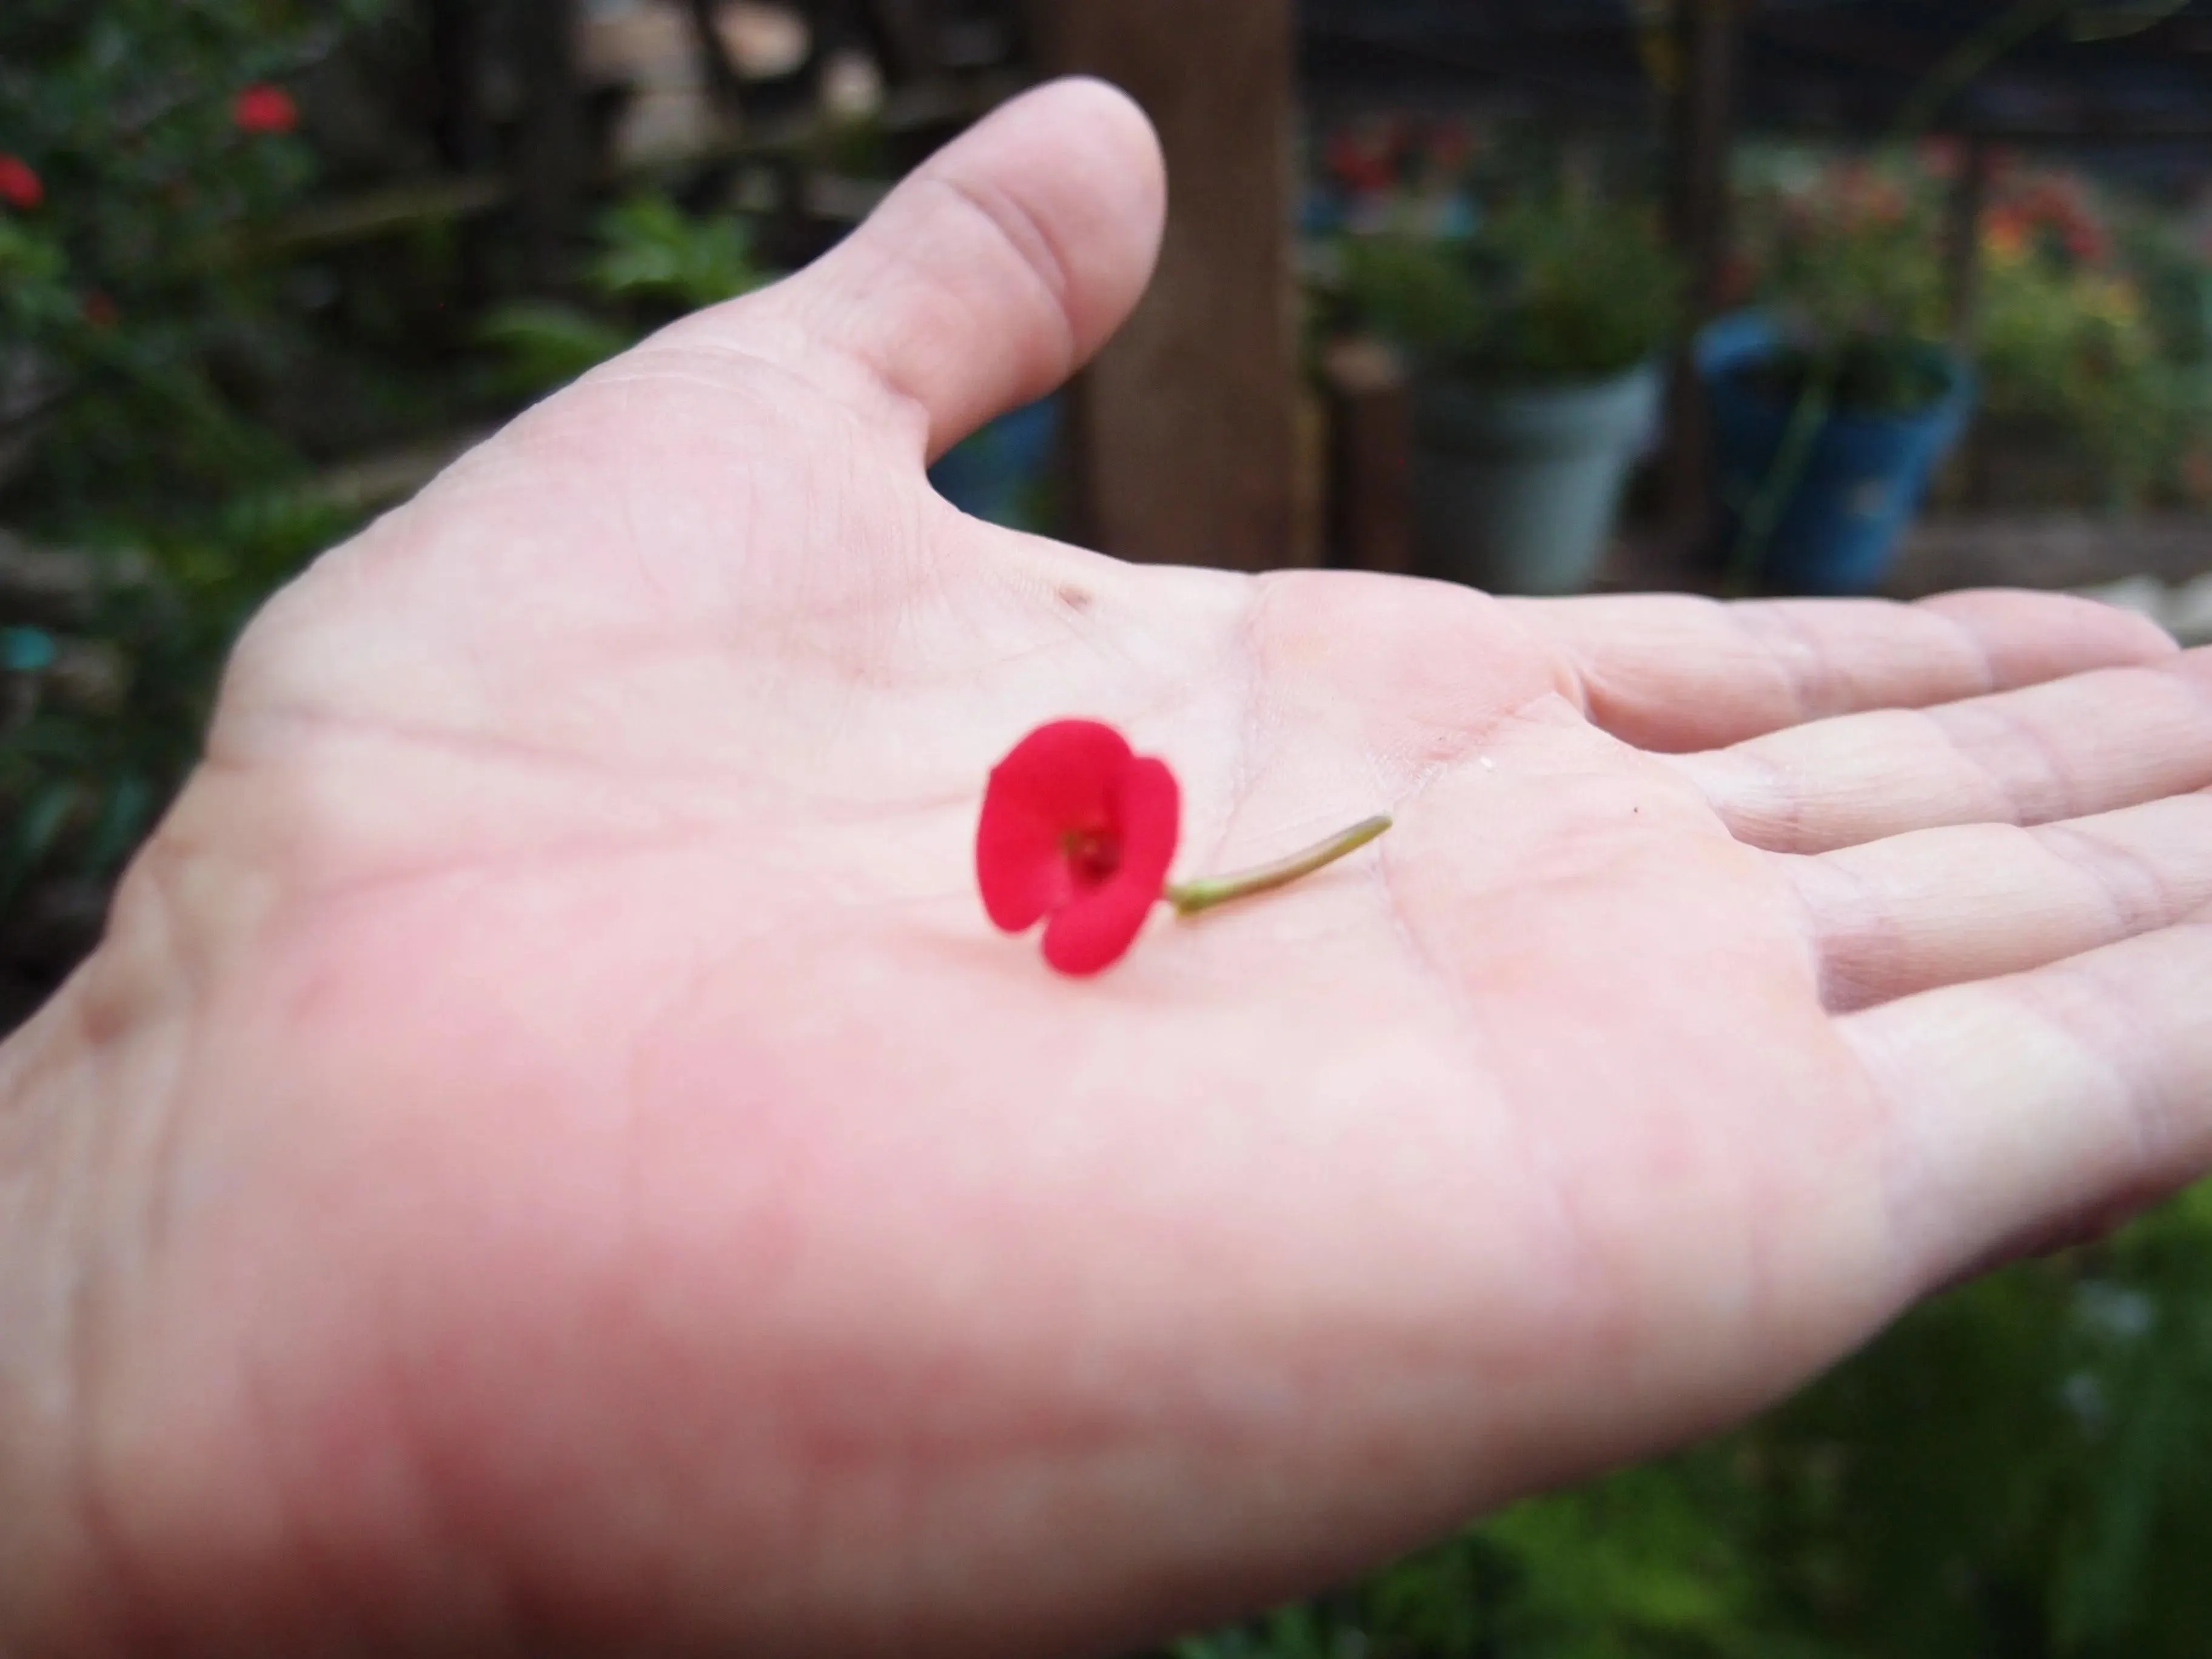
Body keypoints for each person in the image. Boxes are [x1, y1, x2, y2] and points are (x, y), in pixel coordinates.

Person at [1, 78, 2207, 1658]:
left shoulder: (1113, 841)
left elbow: (1085, 878)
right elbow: (1071, 882)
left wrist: (110, 1260)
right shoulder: (1089, 845)